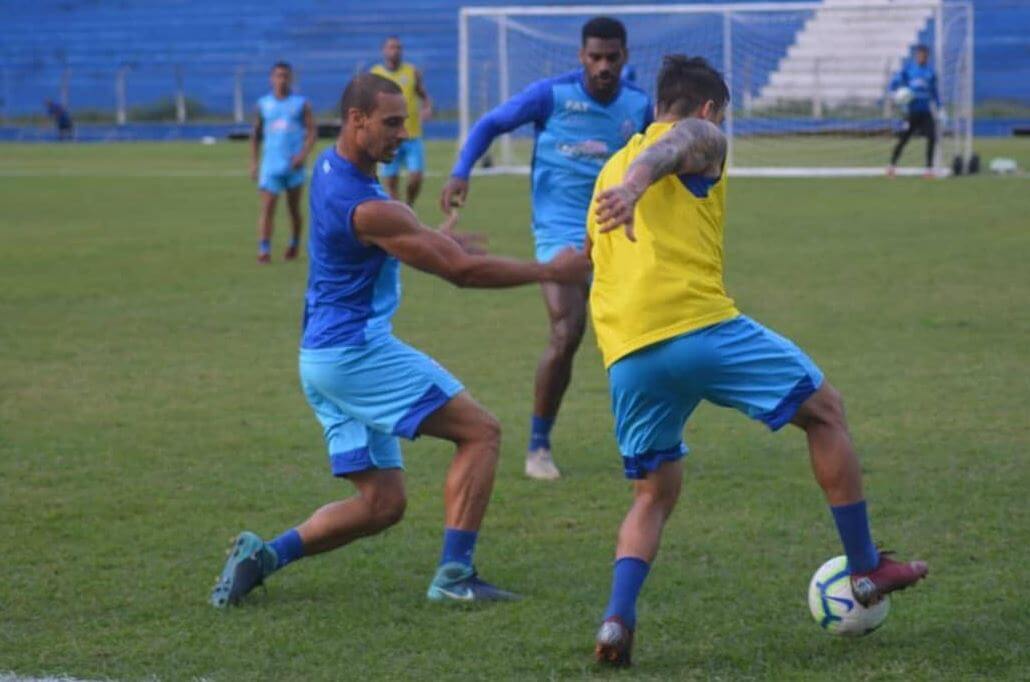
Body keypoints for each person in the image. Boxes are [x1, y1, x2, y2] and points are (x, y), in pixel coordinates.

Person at [585, 55, 929, 666]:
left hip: (627, 355)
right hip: (698, 327)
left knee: (652, 493)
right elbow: (691, 140)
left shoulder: (608, 168)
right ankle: (866, 568)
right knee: (825, 411)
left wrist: (630, 184)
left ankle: (616, 619)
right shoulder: (696, 137)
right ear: (711, 107)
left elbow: (593, 254)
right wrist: (641, 183)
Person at [210, 73, 591, 608]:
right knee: (481, 433)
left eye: (405, 122)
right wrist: (552, 271)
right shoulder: (368, 206)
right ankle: (455, 577)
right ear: (356, 120)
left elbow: (399, 239)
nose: (402, 134)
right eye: (391, 124)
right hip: (354, 353)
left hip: (319, 357)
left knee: (383, 503)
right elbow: (460, 272)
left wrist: (431, 238)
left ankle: (263, 556)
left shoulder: (328, 165)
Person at [440, 17, 652, 481]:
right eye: (594, 57)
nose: (602, 66)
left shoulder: (639, 107)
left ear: (624, 57)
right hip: (559, 234)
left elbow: (661, 160)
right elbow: (492, 123)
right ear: (581, 56)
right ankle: (538, 446)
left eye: (611, 58)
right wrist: (461, 170)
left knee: (646, 336)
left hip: (617, 233)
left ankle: (649, 439)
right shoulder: (551, 95)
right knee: (567, 330)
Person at [251, 62, 316, 263]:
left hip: (293, 165)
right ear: (271, 78)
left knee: (293, 209)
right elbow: (255, 135)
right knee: (268, 207)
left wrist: (302, 155)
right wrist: (253, 162)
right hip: (270, 165)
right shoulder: (263, 104)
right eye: (278, 76)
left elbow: (312, 132)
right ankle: (264, 249)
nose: (282, 80)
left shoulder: (300, 104)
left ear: (291, 79)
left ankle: (294, 243)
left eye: (285, 76)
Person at [370, 36, 432, 206]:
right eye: (391, 47)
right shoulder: (375, 73)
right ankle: (399, 215)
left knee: (416, 177)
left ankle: (409, 205)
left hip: (412, 135)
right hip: (388, 138)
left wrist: (427, 108)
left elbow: (423, 94)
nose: (395, 51)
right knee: (391, 181)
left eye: (398, 47)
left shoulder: (412, 72)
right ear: (383, 50)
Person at [888, 45, 941, 177]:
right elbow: (894, 82)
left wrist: (941, 109)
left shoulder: (931, 73)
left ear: (927, 56)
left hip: (926, 112)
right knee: (904, 139)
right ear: (916, 56)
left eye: (924, 55)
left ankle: (929, 169)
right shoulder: (909, 70)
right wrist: (893, 94)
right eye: (920, 55)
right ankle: (891, 166)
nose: (922, 57)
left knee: (932, 137)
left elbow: (934, 93)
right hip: (912, 112)